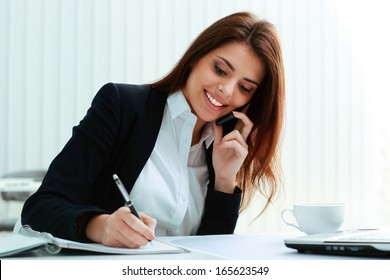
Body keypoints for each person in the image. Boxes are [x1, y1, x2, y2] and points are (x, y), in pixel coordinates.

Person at [21, 11, 285, 248]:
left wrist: (225, 180)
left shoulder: (222, 150)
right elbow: (40, 208)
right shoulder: (122, 106)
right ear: (195, 58)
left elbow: (212, 253)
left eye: (245, 88)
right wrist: (100, 227)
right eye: (220, 69)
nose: (226, 91)